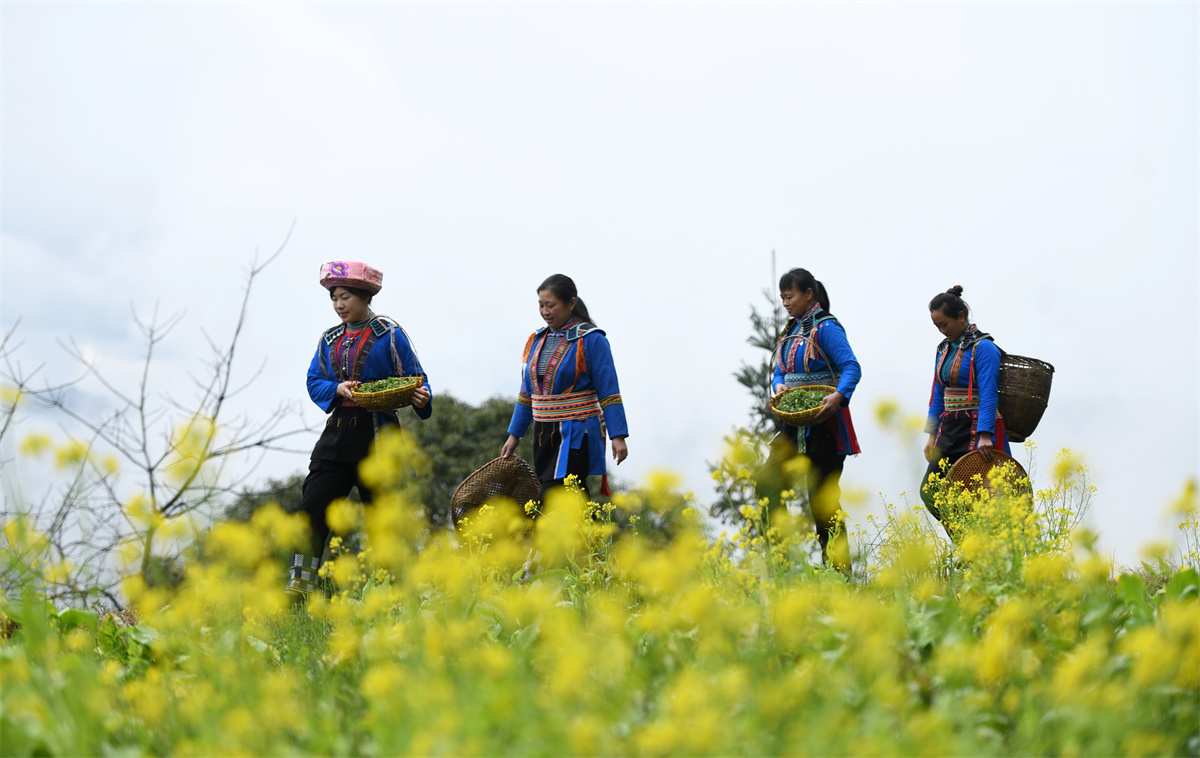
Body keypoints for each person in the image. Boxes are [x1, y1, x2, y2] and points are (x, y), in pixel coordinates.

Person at [287, 261, 433, 597]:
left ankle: (390, 589)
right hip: (337, 435)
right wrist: (337, 390)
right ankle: (300, 584)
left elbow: (416, 379)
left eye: (346, 297)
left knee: (382, 518)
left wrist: (421, 398)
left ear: (364, 296)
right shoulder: (329, 339)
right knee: (313, 506)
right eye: (334, 298)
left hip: (378, 436)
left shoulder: (390, 335)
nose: (339, 305)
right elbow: (314, 380)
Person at [763, 267, 861, 573]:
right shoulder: (790, 331)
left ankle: (840, 576)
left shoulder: (828, 328)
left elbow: (852, 368)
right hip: (792, 426)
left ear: (809, 295)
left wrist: (838, 397)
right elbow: (780, 368)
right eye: (782, 298)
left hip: (824, 426)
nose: (785, 303)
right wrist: (779, 384)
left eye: (789, 296)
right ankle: (780, 563)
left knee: (823, 503)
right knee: (767, 483)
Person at [500, 274, 628, 497]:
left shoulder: (592, 340)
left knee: (556, 493)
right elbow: (526, 393)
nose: (545, 311)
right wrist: (515, 435)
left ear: (571, 304)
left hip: (577, 431)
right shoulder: (536, 340)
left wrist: (618, 435)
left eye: (551, 305)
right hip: (543, 434)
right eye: (541, 305)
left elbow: (609, 390)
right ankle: (595, 531)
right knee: (571, 496)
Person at [920, 285, 1010, 531]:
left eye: (945, 323)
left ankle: (979, 552)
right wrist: (931, 436)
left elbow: (989, 393)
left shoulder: (985, 349)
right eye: (937, 326)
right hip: (950, 430)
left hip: (976, 431)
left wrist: (985, 435)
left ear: (961, 316)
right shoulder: (944, 349)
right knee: (930, 491)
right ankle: (968, 543)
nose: (942, 330)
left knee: (979, 495)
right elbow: (938, 393)